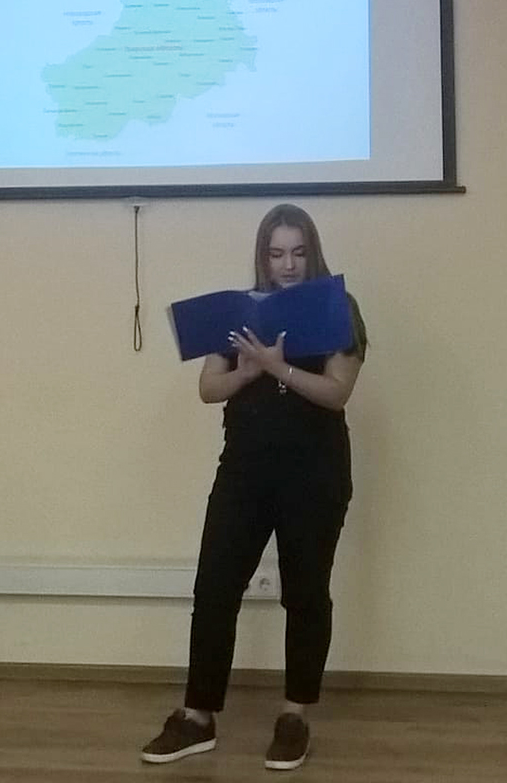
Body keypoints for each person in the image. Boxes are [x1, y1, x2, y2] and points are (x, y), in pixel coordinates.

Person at [141, 203, 367, 771]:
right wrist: (245, 370)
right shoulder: (239, 312)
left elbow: (337, 392)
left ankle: (294, 717)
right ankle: (197, 717)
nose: (287, 265)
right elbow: (208, 389)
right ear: (263, 257)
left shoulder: (338, 308)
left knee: (305, 592)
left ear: (312, 253)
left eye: (298, 252)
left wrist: (277, 365)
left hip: (315, 473)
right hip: (243, 470)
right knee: (214, 587)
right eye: (276, 253)